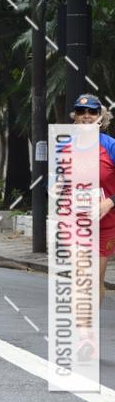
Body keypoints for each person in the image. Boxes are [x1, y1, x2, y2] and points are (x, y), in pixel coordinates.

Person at [70, 93, 115, 302]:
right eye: (81, 111)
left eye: (92, 112)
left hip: (105, 223)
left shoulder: (110, 146)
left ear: (100, 116)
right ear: (75, 117)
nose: (86, 116)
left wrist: (110, 202)